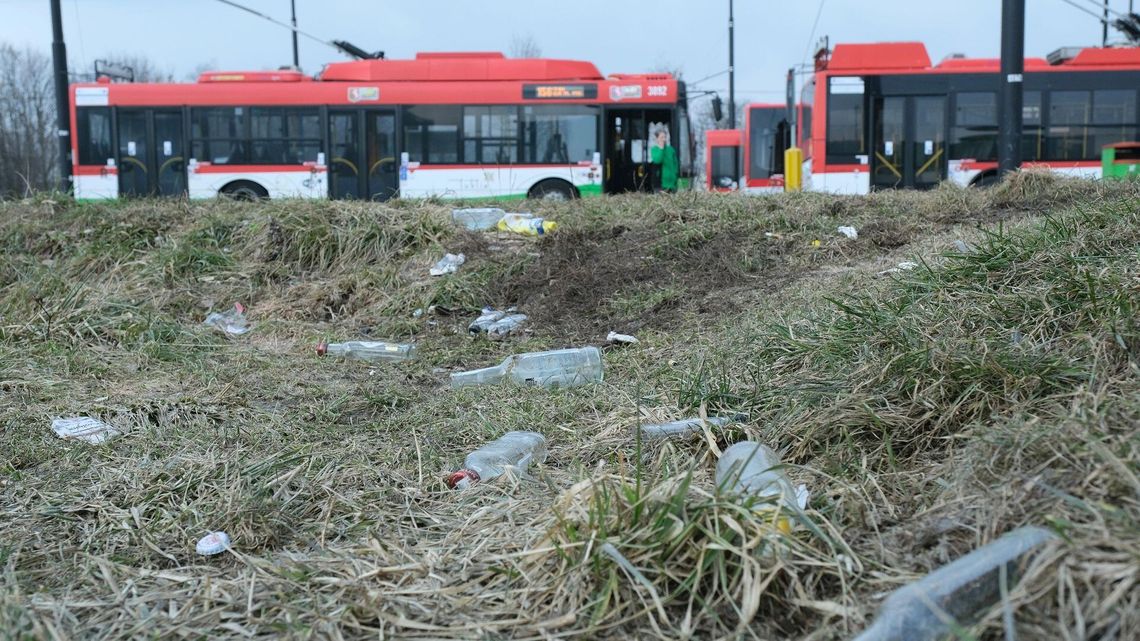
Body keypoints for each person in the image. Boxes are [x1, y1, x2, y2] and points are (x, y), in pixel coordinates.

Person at [649, 127, 678, 193]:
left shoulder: (671, 150)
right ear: (657, 139)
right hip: (660, 185)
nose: (664, 139)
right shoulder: (654, 149)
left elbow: (675, 165)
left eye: (665, 137)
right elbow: (657, 160)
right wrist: (661, 149)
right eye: (661, 137)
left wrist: (675, 177)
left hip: (672, 184)